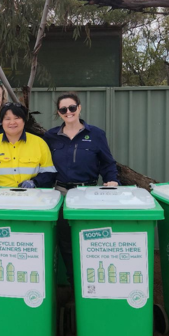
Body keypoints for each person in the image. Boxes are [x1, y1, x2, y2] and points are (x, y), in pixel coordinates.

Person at [43, 92, 119, 285]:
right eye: (63, 109)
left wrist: (112, 180)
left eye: (72, 108)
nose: (68, 112)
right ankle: (73, 283)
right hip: (61, 194)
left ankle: (94, 281)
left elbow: (107, 163)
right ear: (59, 113)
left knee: (90, 239)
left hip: (88, 194)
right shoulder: (51, 136)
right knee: (66, 241)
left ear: (79, 108)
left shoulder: (95, 134)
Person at [0, 102, 56, 190]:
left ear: (24, 121)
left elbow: (49, 172)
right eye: (7, 119)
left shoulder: (39, 143)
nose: (12, 122)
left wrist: (34, 182)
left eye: (17, 118)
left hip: (31, 196)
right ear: (1, 121)